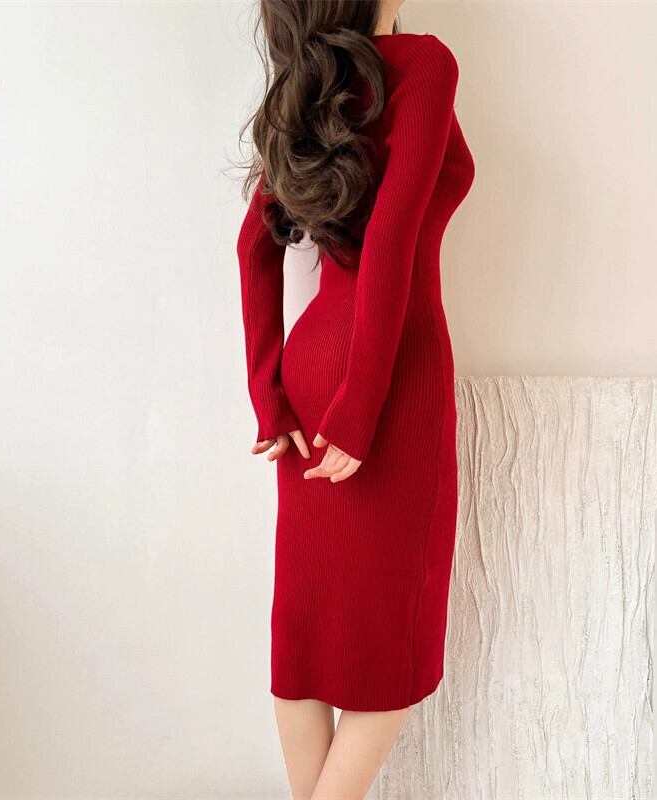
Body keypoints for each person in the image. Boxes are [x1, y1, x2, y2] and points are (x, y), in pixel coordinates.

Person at [236, 0, 475, 796]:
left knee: (305, 631)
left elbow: (252, 247)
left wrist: (270, 394)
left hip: (312, 371)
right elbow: (393, 244)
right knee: (393, 645)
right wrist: (363, 405)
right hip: (390, 371)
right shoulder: (426, 65)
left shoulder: (313, 84)